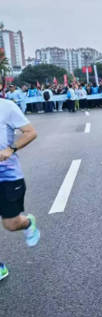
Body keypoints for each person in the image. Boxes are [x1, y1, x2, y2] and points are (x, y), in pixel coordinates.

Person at [0, 98, 40, 280]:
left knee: (11, 224)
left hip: (7, 177)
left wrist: (10, 149)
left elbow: (30, 132)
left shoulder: (6, 107)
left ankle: (27, 223)